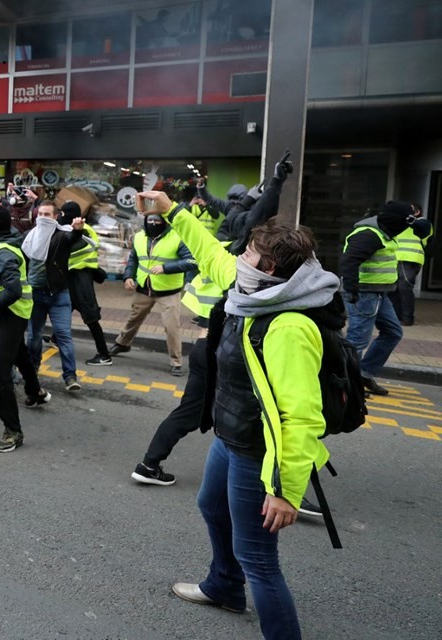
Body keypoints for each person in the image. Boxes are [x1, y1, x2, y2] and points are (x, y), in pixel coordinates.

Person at [141, 189, 340, 639]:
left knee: (261, 562)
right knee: (211, 505)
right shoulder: (253, 289)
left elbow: (301, 417)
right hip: (231, 438)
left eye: (248, 251)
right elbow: (212, 254)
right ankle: (224, 587)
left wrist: (286, 491)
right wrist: (170, 209)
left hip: (257, 452)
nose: (240, 256)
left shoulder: (289, 324)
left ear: (268, 267)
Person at [131, 154, 291, 487]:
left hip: (206, 344)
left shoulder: (225, 246)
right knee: (265, 419)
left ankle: (149, 464)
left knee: (191, 412)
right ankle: (281, 487)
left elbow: (231, 214)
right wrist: (273, 185)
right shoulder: (246, 270)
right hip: (235, 351)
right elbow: (257, 216)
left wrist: (262, 189)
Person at [0, 205, 51, 452]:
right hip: (11, 314)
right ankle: (35, 392)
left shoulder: (2, 252)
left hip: (10, 313)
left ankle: (13, 431)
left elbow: (13, 289)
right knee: (19, 352)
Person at [339, 201, 415, 396]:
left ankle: (364, 374)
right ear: (396, 221)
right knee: (358, 340)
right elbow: (349, 261)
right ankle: (348, 383)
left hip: (380, 293)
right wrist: (351, 288)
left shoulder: (385, 233)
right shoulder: (369, 234)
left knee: (393, 332)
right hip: (363, 294)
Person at [108, 213, 195, 376]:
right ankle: (122, 343)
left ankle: (176, 361)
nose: (154, 223)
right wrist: (128, 276)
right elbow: (133, 259)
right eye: (150, 221)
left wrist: (166, 268)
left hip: (168, 291)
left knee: (171, 326)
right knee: (134, 318)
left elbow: (191, 261)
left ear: (164, 222)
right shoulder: (139, 237)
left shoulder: (177, 237)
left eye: (157, 221)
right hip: (143, 288)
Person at [23, 200, 85, 391]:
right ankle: (33, 368)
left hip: (58, 294)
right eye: (40, 214)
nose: (42, 218)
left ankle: (70, 376)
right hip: (35, 294)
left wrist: (77, 230)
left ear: (56, 217)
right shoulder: (29, 237)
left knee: (64, 336)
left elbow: (72, 239)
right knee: (33, 336)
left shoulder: (61, 235)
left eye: (47, 215)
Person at [60, 201, 114, 366]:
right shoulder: (83, 228)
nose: (61, 217)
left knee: (90, 317)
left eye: (63, 214)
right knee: (67, 307)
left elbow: (71, 249)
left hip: (80, 277)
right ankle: (56, 338)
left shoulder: (81, 231)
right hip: (75, 277)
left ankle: (104, 355)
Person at [389, 203, 433, 326]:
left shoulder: (423, 222)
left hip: (409, 258)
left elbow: (420, 226)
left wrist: (407, 218)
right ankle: (396, 317)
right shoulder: (399, 222)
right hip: (394, 258)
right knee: (393, 289)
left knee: (404, 288)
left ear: (417, 212)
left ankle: (407, 318)